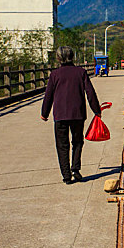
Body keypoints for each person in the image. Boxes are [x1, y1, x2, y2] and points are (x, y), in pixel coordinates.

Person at [41, 46, 102, 184]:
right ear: (72, 57)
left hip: (60, 115)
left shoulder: (55, 74)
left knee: (62, 145)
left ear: (58, 58)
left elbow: (48, 96)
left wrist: (44, 113)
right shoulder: (81, 72)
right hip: (78, 114)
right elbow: (90, 92)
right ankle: (75, 168)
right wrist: (96, 110)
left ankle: (66, 175)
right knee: (78, 142)